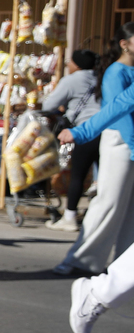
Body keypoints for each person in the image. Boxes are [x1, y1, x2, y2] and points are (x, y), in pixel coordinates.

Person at [55, 22, 134, 276]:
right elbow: (119, 109)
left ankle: (124, 267)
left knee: (130, 209)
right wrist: (81, 132)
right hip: (120, 141)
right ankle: (81, 260)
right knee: (109, 202)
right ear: (125, 44)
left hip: (128, 142)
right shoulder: (115, 72)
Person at [41, 49, 104, 234]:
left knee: (78, 175)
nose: (68, 64)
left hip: (85, 130)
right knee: (103, 178)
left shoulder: (72, 79)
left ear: (76, 64)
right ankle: (98, 216)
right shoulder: (102, 77)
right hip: (107, 130)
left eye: (70, 62)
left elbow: (49, 106)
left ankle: (69, 217)